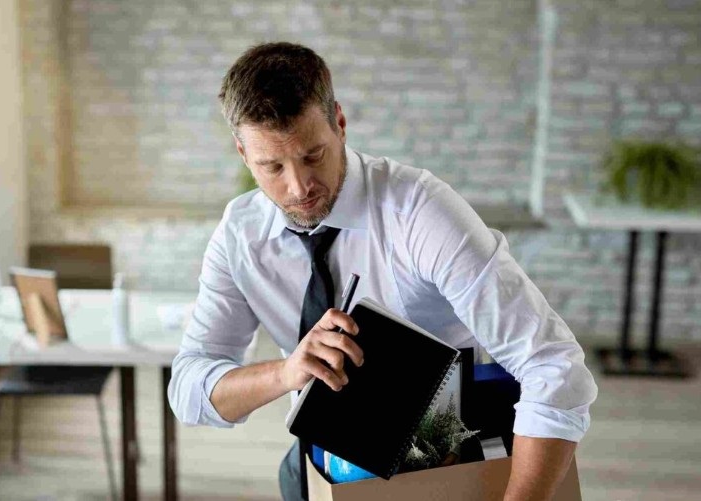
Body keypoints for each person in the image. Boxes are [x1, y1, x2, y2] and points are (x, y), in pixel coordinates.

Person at [168, 42, 597, 501]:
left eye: (313, 155)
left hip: (451, 467)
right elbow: (189, 389)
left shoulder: (420, 212)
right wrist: (286, 373)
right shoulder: (240, 235)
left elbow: (553, 366)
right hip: (317, 467)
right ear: (242, 153)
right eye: (272, 166)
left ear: (339, 123)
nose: (299, 187)